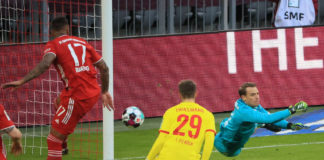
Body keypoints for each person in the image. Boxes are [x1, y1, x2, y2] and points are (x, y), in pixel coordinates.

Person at [1, 16, 114, 160]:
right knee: (58, 102)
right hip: (92, 90)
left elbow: (46, 63)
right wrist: (104, 92)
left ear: (51, 31)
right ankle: (64, 144)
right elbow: (104, 68)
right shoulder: (82, 42)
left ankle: (60, 143)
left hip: (78, 95)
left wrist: (22, 81)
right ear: (67, 28)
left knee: (53, 140)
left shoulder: (53, 44)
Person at [214, 82, 308, 157]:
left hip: (233, 142)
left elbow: (268, 116)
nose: (257, 97)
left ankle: (261, 124)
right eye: (252, 95)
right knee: (257, 122)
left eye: (257, 93)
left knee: (253, 122)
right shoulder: (244, 111)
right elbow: (267, 118)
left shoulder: (253, 106)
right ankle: (261, 124)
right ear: (244, 97)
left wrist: (289, 125)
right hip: (224, 146)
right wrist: (292, 109)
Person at [147, 80, 216, 160]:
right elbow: (209, 141)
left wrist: (149, 158)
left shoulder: (170, 112)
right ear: (196, 93)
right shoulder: (208, 115)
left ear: (179, 94)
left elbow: (162, 138)